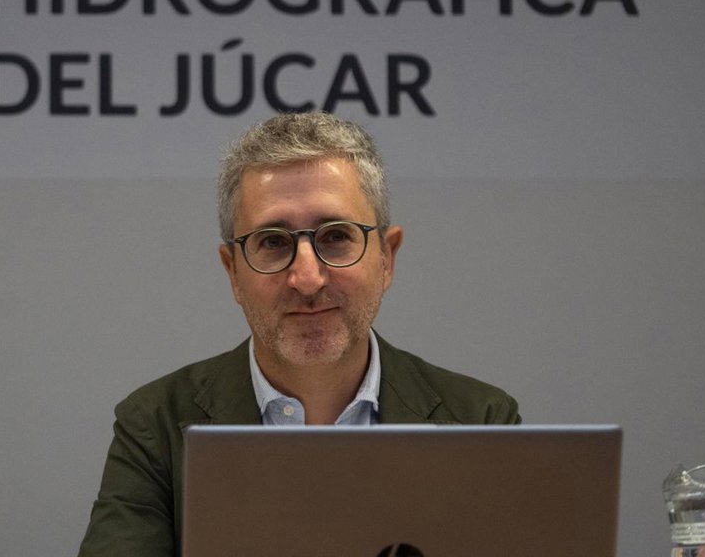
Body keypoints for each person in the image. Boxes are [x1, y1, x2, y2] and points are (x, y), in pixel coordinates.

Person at [77, 112, 520, 557]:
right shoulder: (155, 425)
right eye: (273, 242)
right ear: (233, 272)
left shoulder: (481, 422)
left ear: (387, 258)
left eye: (335, 236)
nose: (307, 279)